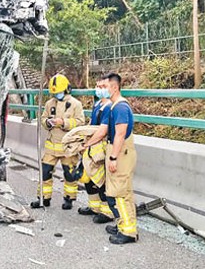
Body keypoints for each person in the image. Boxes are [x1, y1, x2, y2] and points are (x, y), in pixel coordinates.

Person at [82, 73, 138, 244]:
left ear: (114, 87)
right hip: (117, 151)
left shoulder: (120, 107)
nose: (101, 90)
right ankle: (123, 224)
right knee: (123, 192)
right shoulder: (114, 106)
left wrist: (113, 157)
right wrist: (87, 144)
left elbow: (120, 134)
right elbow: (103, 130)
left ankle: (128, 231)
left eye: (104, 86)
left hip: (120, 153)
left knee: (119, 194)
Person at [31, 74, 85, 210]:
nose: (57, 95)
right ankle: (44, 198)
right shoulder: (50, 104)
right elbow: (43, 119)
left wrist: (63, 123)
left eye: (59, 92)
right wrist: (48, 122)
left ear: (67, 89)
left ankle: (69, 199)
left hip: (68, 147)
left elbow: (80, 123)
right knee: (45, 172)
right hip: (51, 146)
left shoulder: (75, 104)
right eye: (55, 93)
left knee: (69, 174)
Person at [76, 75, 115, 224]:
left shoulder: (110, 106)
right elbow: (92, 124)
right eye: (98, 86)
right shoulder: (98, 104)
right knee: (87, 176)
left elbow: (102, 131)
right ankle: (94, 206)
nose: (99, 89)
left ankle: (107, 212)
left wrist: (87, 144)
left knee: (102, 179)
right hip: (92, 145)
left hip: (102, 147)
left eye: (103, 87)